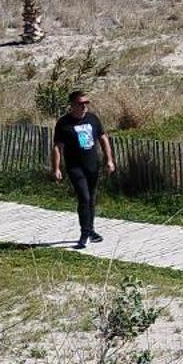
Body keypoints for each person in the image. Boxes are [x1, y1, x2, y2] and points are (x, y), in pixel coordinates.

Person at [51, 88, 117, 249]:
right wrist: (56, 168)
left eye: (86, 103)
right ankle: (84, 233)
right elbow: (57, 147)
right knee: (84, 198)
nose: (84, 106)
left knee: (91, 199)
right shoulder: (63, 123)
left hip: (92, 165)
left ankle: (91, 230)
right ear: (72, 105)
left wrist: (109, 160)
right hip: (75, 167)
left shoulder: (93, 119)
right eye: (81, 103)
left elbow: (103, 138)